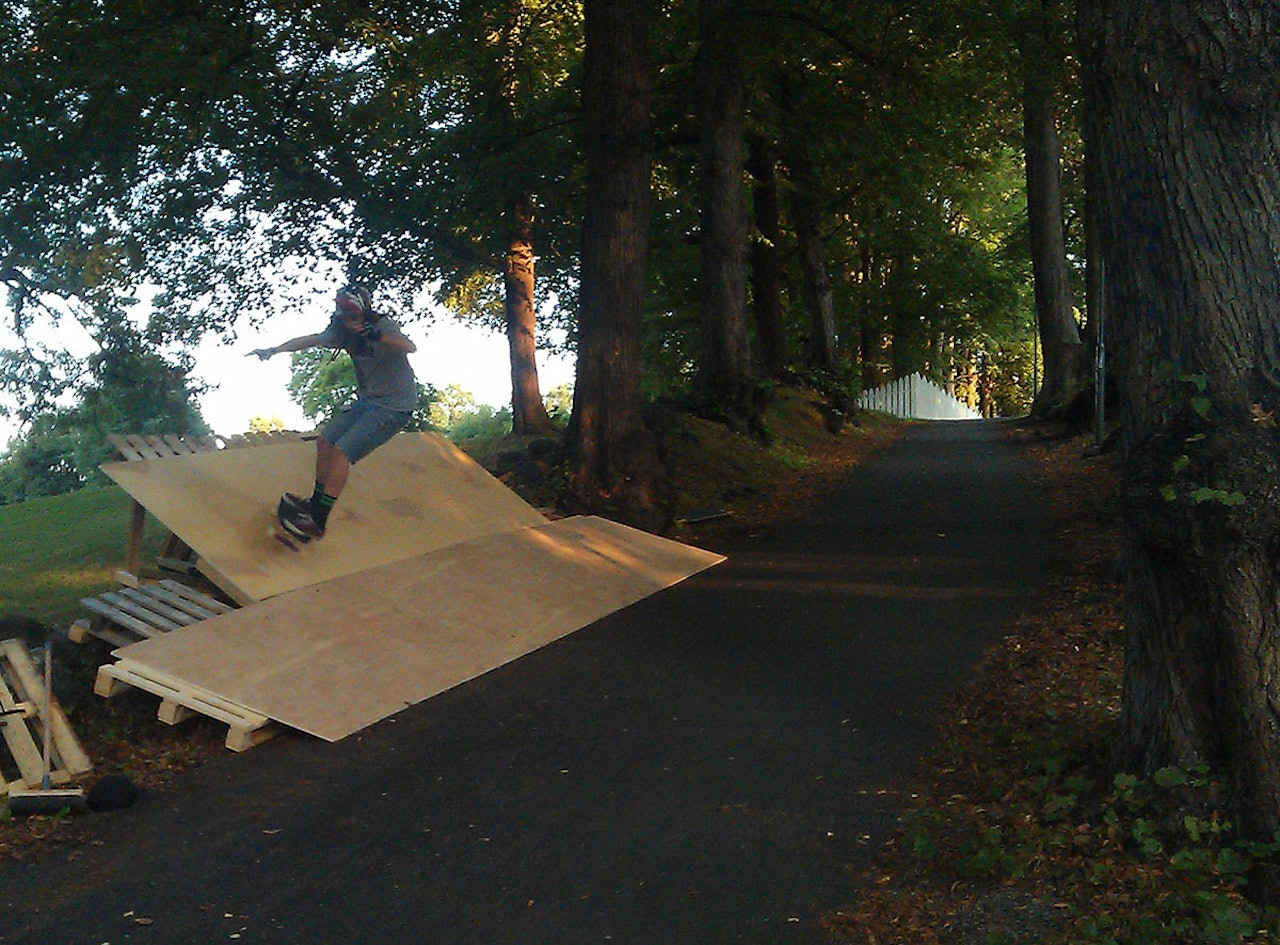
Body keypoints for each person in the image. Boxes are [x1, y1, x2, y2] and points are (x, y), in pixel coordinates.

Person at [250, 284, 418, 542]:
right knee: (325, 442)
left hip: (394, 406)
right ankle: (314, 504)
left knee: (342, 452)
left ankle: (318, 522)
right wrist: (274, 350)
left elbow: (409, 347)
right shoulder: (341, 332)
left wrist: (376, 336)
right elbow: (310, 340)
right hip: (367, 401)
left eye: (354, 317)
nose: (350, 322)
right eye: (345, 316)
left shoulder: (381, 325)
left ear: (364, 312)